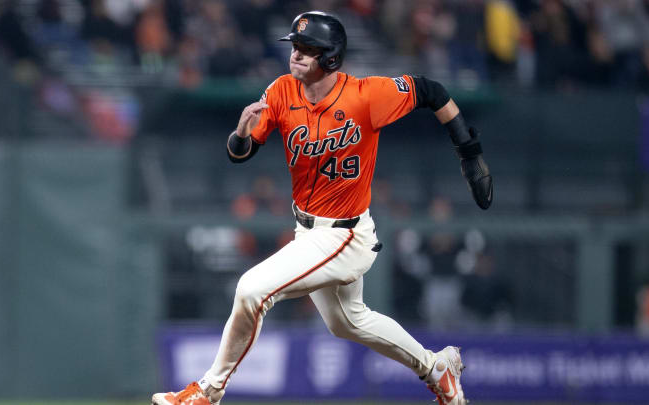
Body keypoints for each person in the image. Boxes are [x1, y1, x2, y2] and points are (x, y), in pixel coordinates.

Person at [152, 11, 492, 405]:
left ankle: (208, 392)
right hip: (308, 229)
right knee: (350, 322)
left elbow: (431, 90)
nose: (295, 55)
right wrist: (241, 131)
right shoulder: (281, 91)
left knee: (251, 290)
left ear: (330, 57)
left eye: (307, 49)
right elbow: (240, 154)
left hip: (345, 233)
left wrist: (468, 149)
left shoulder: (367, 95)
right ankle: (437, 369)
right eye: (294, 46)